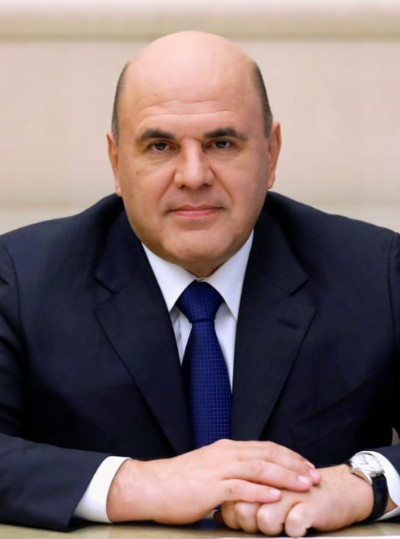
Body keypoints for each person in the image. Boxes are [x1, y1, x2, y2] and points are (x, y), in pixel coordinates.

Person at [0, 30, 399, 536]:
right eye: (160, 145)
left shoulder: (377, 272)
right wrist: (135, 483)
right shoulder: (22, 278)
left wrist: (366, 485)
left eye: (221, 143)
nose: (193, 175)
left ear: (271, 153)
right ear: (117, 163)